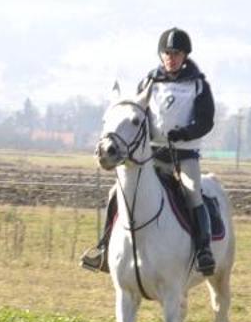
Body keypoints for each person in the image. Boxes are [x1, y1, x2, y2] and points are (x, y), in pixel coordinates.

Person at [81, 26, 216, 275]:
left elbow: (206, 121)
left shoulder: (197, 85)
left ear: (185, 56)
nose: (171, 58)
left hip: (184, 156)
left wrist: (184, 133)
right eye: (167, 53)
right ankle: (105, 248)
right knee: (115, 193)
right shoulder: (149, 82)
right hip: (152, 155)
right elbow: (137, 113)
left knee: (193, 192)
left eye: (176, 53)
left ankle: (203, 251)